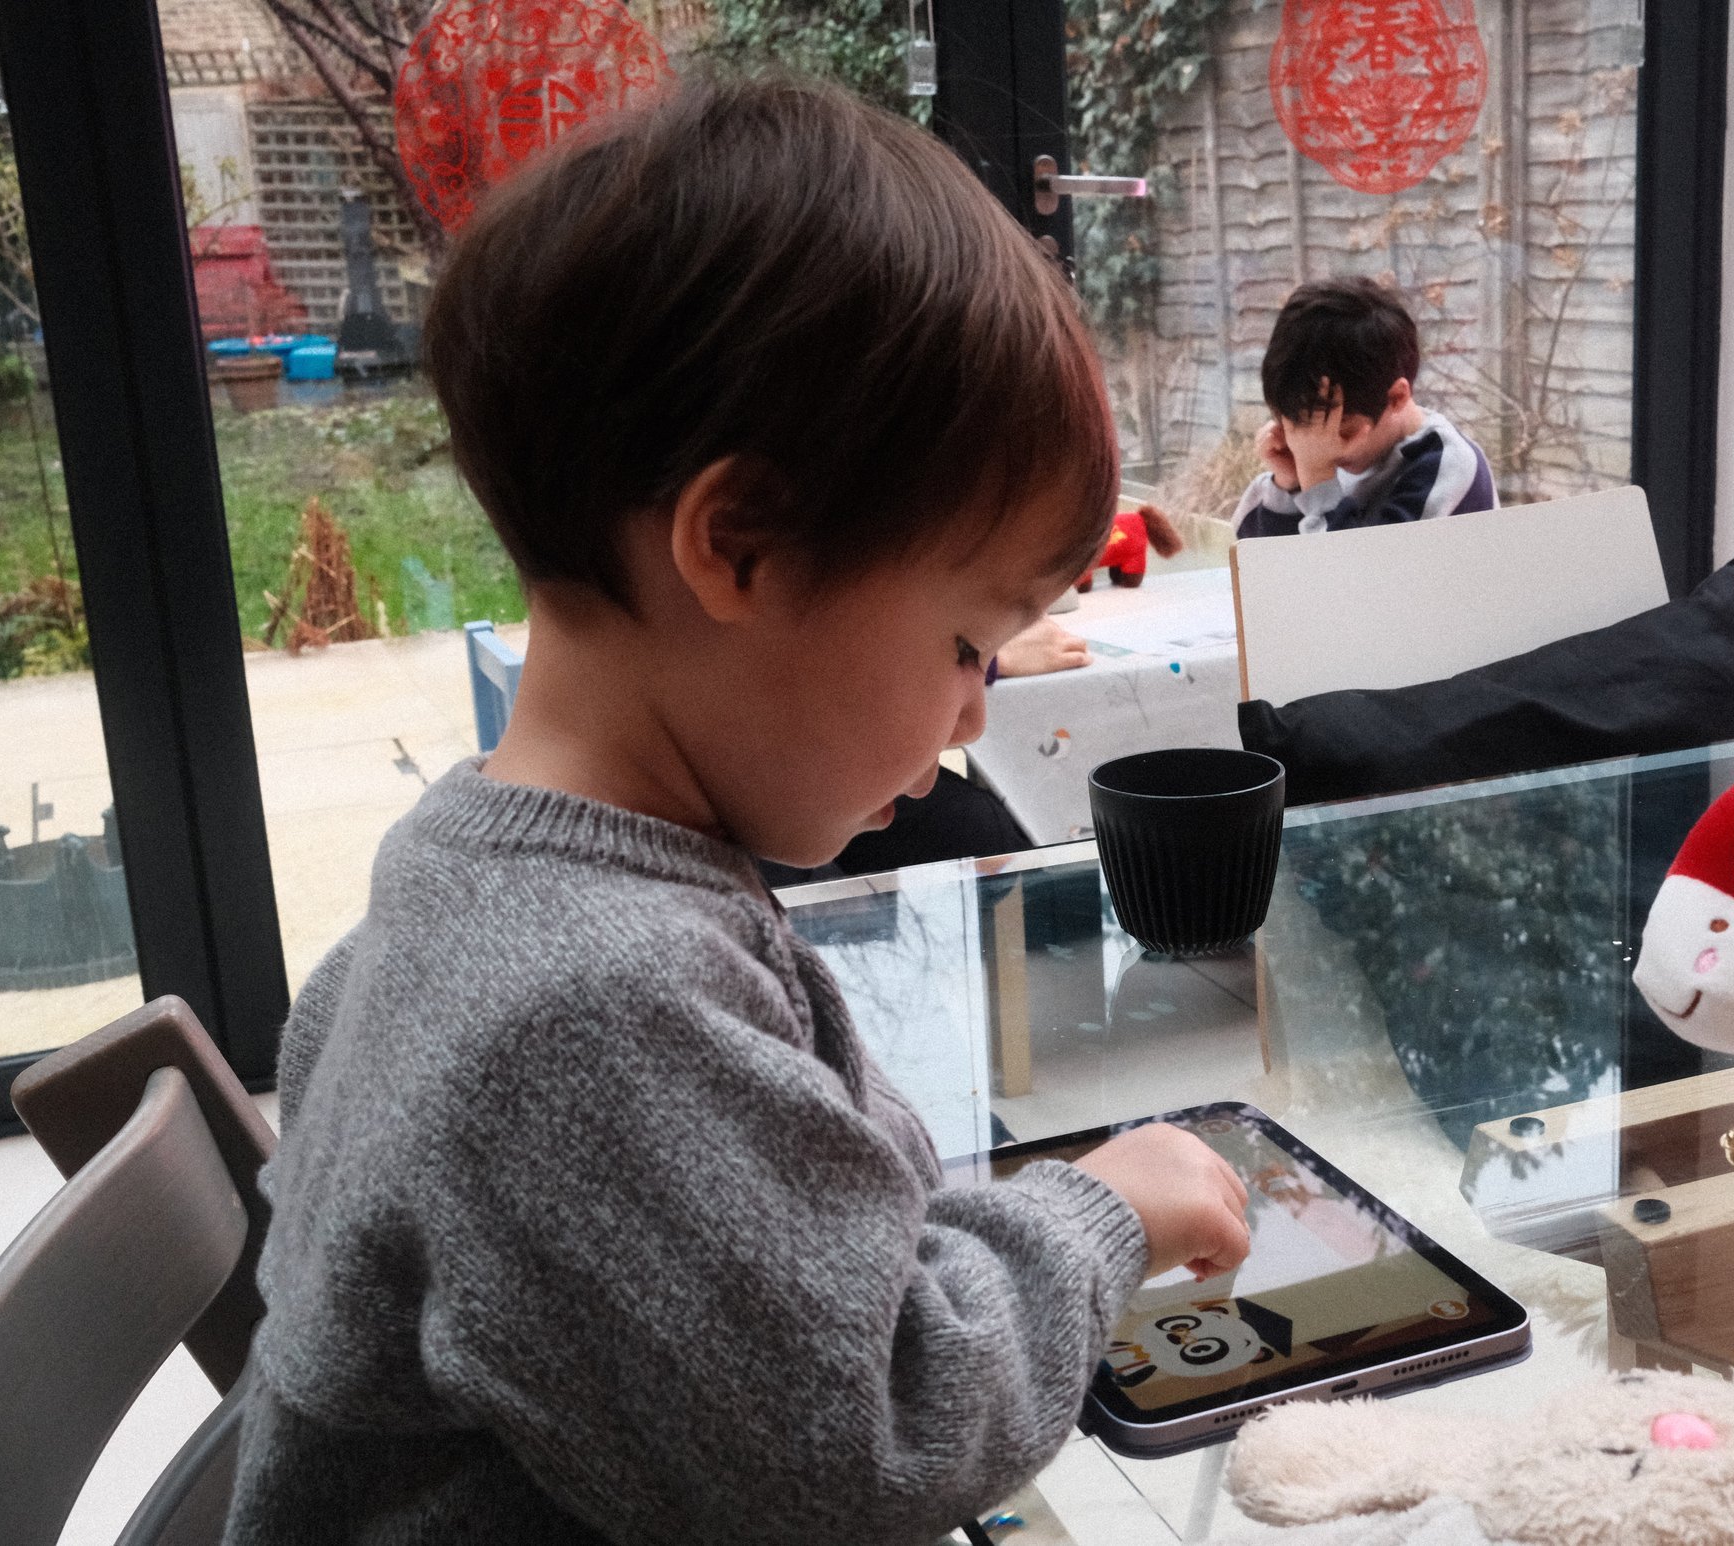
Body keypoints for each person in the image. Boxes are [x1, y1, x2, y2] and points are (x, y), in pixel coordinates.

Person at [223, 77, 1252, 1546]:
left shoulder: (484, 875)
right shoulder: (586, 1012)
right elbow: (868, 1435)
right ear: (740, 546)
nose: (975, 712)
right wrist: (1104, 1216)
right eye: (967, 643)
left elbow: (806, 1270)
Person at [1234, 277, 1497, 538]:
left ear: (1396, 398)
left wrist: (1316, 479)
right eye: (1296, 432)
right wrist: (1290, 485)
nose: (1321, 449)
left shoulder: (1447, 466)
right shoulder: (1320, 457)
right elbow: (1247, 555)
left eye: (1344, 432)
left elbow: (1364, 564)